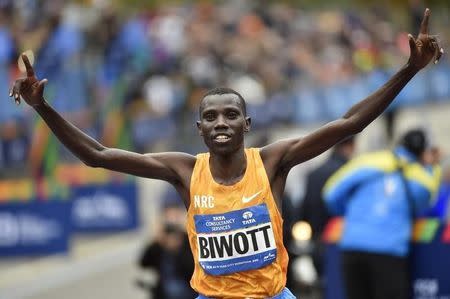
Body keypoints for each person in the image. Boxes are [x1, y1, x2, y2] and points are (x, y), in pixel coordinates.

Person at [8, 8, 443, 299]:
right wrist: (43, 107)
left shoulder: (272, 161)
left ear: (246, 124)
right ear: (199, 129)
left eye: (230, 115)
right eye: (211, 117)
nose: (221, 123)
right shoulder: (183, 171)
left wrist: (407, 70)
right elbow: (97, 154)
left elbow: (348, 124)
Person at [323, 128, 441, 299]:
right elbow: (429, 198)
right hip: (389, 251)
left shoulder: (369, 161)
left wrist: (349, 213)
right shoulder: (420, 177)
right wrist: (433, 167)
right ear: (423, 152)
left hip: (353, 246)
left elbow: (331, 193)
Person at [298, 136, 356, 283]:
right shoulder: (350, 172)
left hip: (319, 240)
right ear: (350, 146)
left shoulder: (314, 173)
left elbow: (305, 209)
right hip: (344, 241)